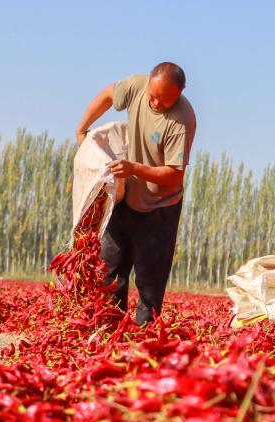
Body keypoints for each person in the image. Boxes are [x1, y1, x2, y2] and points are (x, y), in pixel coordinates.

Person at [75, 62, 197, 325]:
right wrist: (82, 127)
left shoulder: (181, 120)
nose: (155, 103)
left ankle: (143, 341)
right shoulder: (138, 86)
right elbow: (108, 94)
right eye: (152, 95)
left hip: (159, 208)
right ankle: (108, 330)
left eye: (164, 100)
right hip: (126, 197)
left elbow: (174, 174)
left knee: (149, 282)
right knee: (109, 270)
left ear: (177, 95)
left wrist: (135, 168)